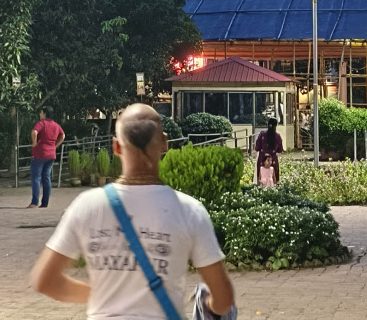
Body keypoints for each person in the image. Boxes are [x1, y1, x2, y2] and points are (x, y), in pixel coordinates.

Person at [31, 104, 235, 320]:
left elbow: (45, 281)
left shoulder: (87, 206)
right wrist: (207, 303)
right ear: (164, 143)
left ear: (116, 147)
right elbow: (223, 299)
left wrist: (103, 295)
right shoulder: (190, 211)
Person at [29, 106, 65, 209]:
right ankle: (45, 203)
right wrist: (55, 145)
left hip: (40, 154)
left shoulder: (41, 123)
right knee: (46, 178)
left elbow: (34, 132)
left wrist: (34, 143)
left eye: (41, 113)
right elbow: (63, 136)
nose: (40, 115)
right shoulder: (56, 125)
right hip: (51, 155)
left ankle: (34, 202)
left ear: (44, 113)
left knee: (36, 177)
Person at [255, 117, 283, 183]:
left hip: (262, 160)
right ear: (276, 125)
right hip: (273, 161)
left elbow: (257, 148)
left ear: (268, 124)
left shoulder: (262, 134)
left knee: (261, 180)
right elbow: (280, 150)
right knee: (274, 181)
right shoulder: (278, 136)